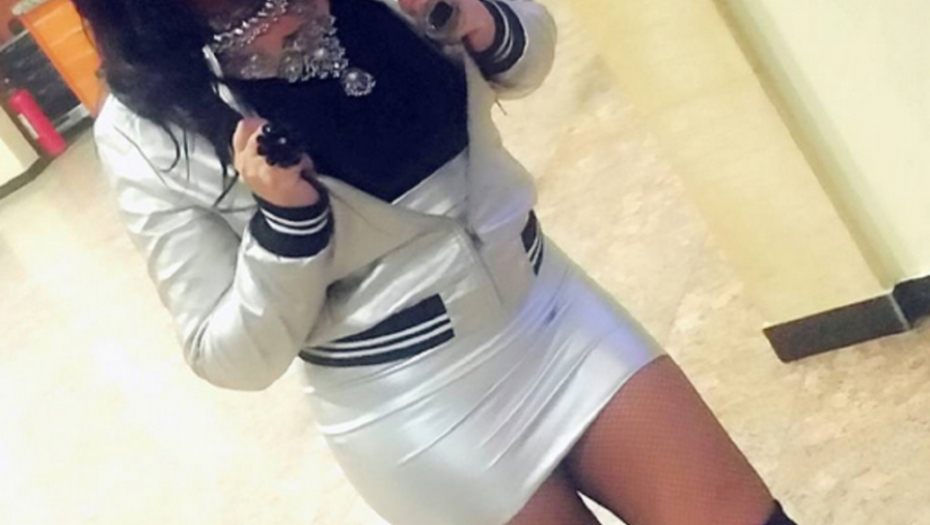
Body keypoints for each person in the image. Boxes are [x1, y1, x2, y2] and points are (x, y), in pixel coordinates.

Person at [77, 0, 800, 523]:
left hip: (551, 311)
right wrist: (287, 230)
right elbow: (228, 355)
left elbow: (530, 49)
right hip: (412, 406)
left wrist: (469, 16)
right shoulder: (146, 126)